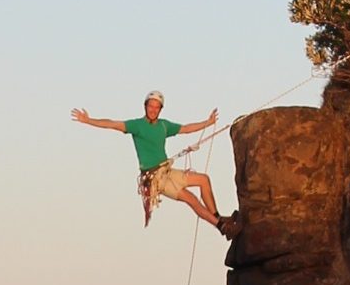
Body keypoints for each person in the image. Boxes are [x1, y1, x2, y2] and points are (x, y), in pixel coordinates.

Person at [71, 91, 239, 235]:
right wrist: (89, 120)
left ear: (160, 109)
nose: (153, 110)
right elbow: (112, 124)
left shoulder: (164, 126)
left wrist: (208, 123)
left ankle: (217, 216)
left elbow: (186, 128)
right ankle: (221, 227)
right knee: (191, 199)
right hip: (155, 179)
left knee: (203, 179)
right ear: (145, 107)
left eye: (156, 107)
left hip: (167, 171)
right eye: (150, 106)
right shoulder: (137, 125)